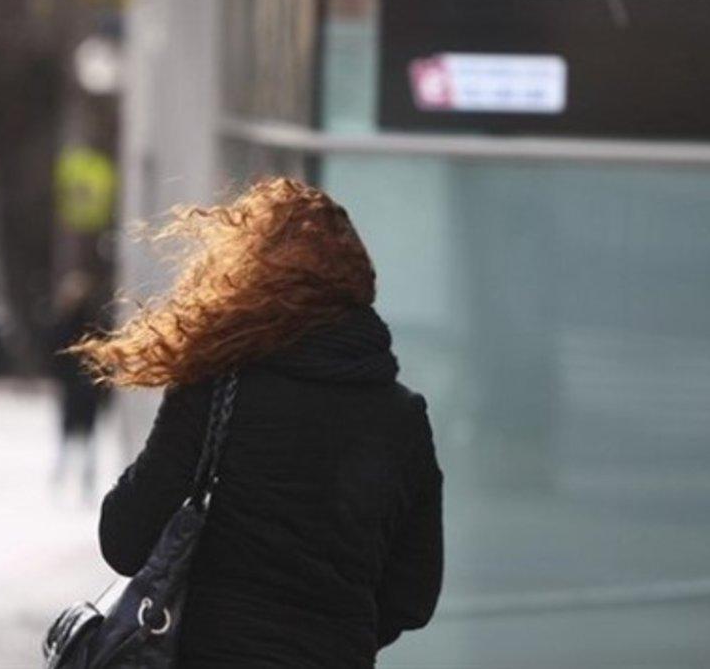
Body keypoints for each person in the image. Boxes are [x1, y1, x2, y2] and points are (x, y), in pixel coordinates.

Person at [68, 177, 443, 666]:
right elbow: (412, 597)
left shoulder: (216, 389)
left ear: (248, 282)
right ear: (358, 288)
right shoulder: (403, 418)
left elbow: (124, 541)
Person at [49, 271, 109, 499]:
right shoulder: (94, 326)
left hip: (81, 389)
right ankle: (74, 478)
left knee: (76, 435)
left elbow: (55, 356)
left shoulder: (70, 325)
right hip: (84, 389)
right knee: (81, 436)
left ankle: (75, 478)